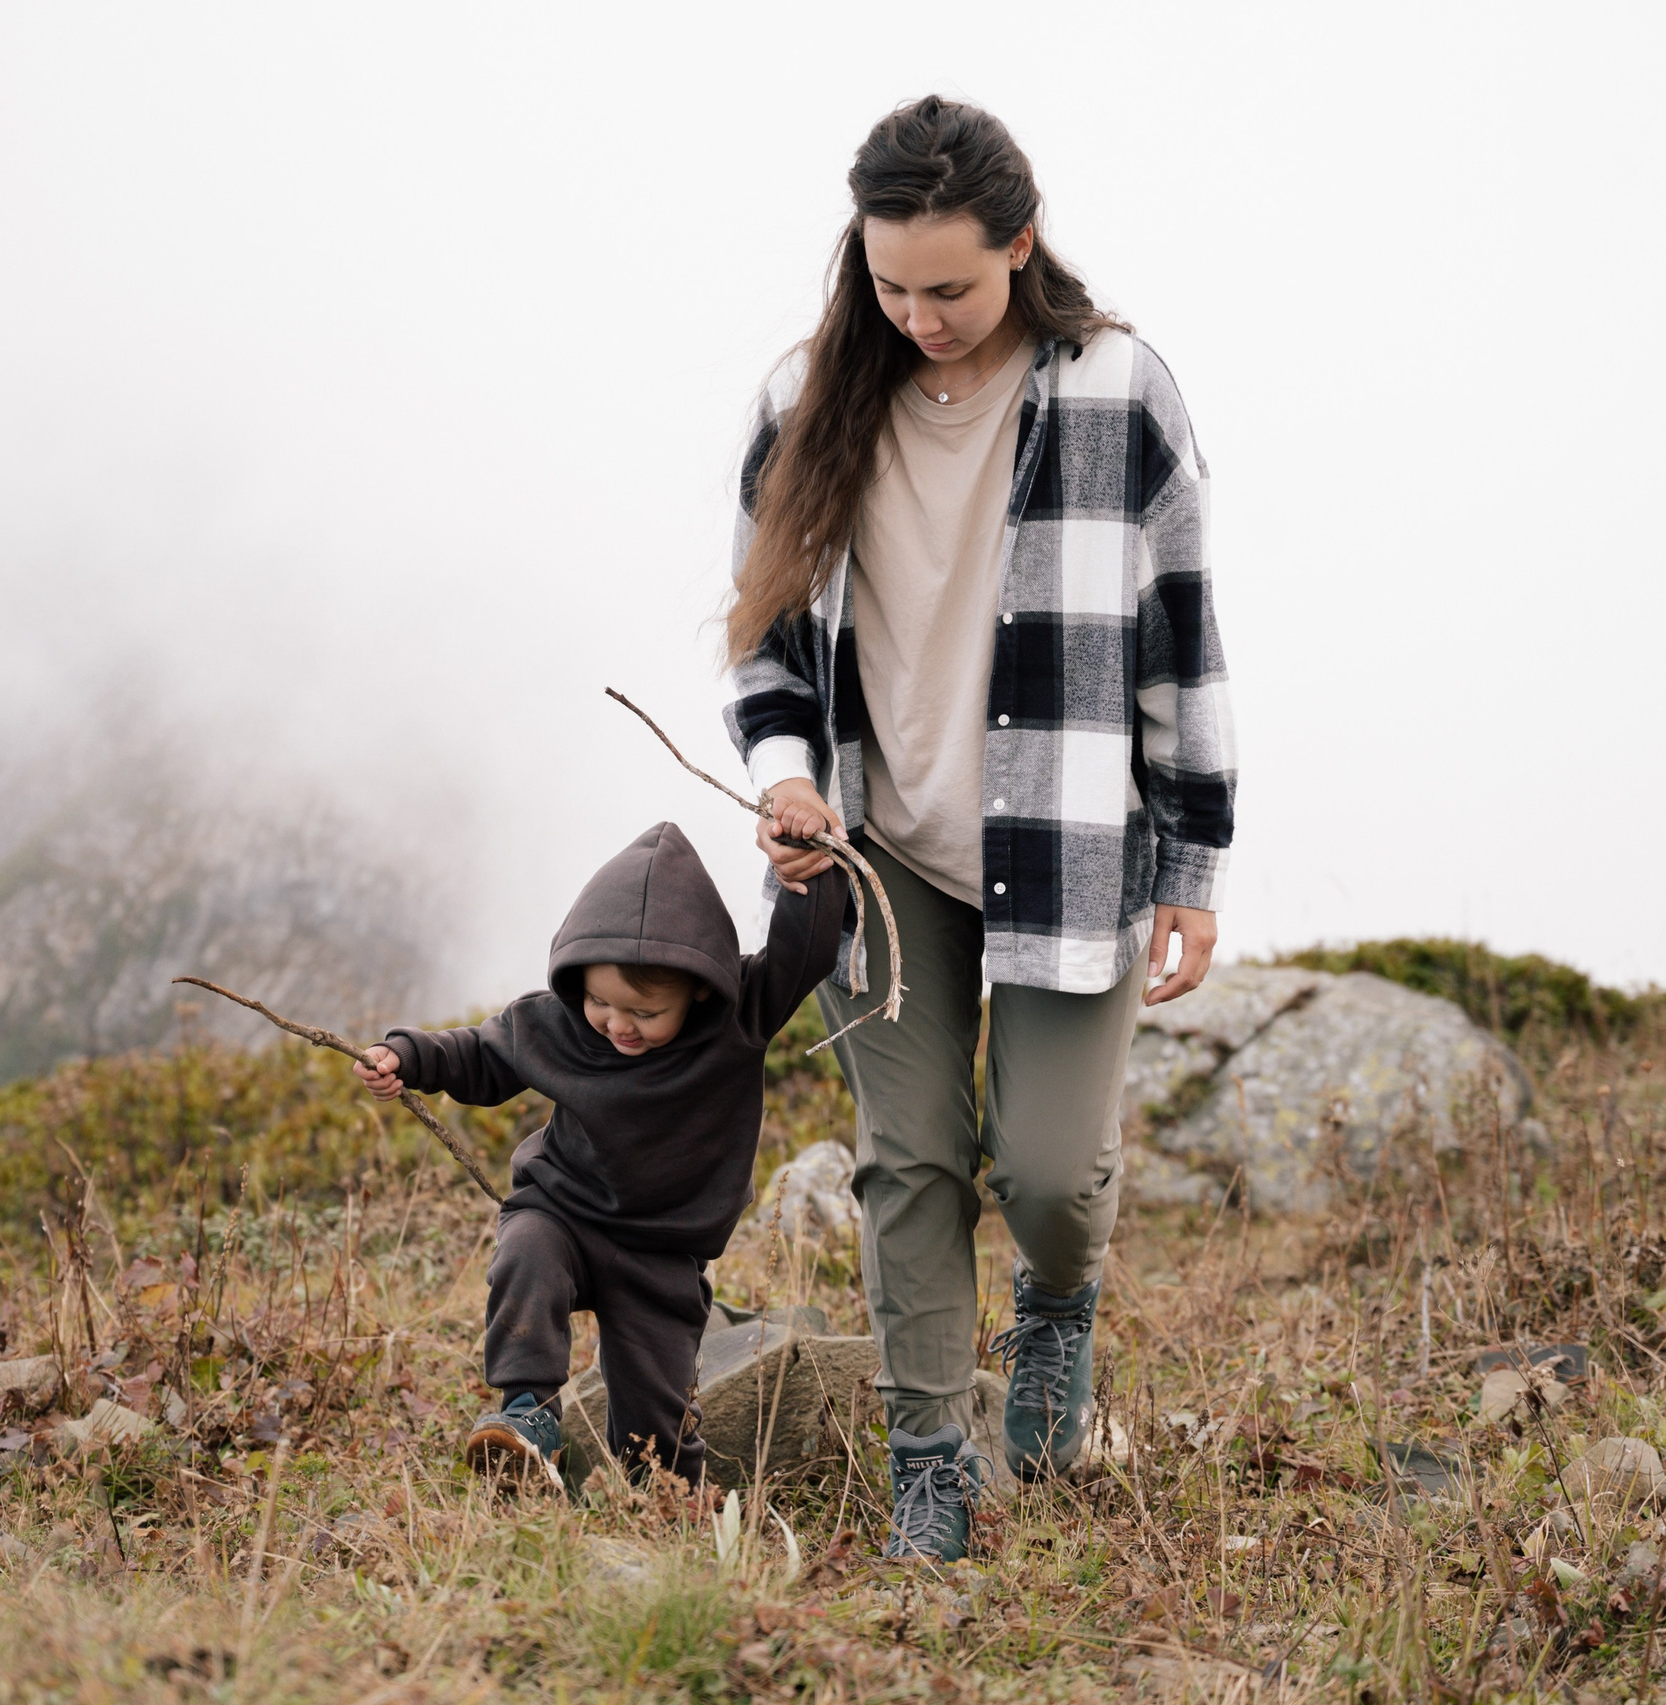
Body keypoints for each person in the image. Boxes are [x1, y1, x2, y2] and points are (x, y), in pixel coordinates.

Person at [723, 97, 1235, 1560]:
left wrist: (1193, 858)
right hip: (877, 851)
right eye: (891, 286)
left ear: (1020, 244)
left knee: (1051, 1179)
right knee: (915, 1158)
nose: (921, 316)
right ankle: (929, 1461)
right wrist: (784, 775)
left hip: (1071, 845)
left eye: (949, 286)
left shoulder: (1118, 389)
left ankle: (1057, 1318)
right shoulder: (802, 400)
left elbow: (1181, 637)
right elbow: (764, 642)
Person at [353, 821, 847, 1488]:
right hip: (564, 1213)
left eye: (644, 1012)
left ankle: (666, 1497)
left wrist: (811, 873)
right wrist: (407, 1057)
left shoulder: (736, 1019)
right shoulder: (557, 1023)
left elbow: (802, 954)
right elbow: (480, 1053)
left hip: (662, 1253)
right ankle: (528, 1416)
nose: (618, 1023)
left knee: (654, 1428)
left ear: (701, 986)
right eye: (601, 1002)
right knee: (525, 1250)